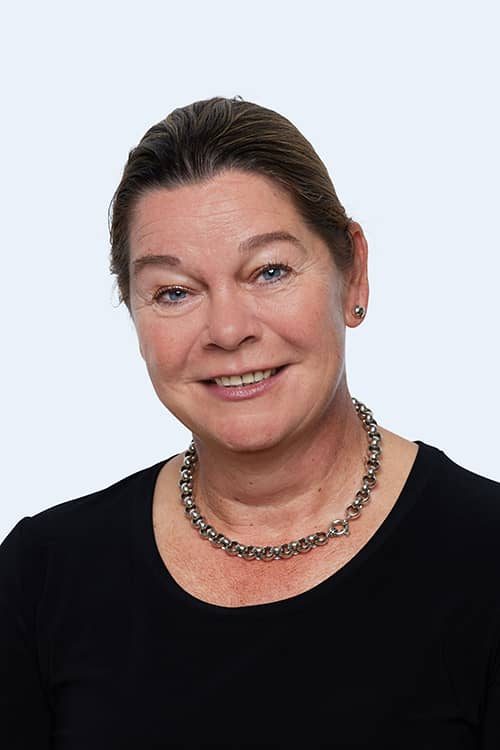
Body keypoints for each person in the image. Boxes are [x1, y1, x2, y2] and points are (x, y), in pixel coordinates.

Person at [1, 96, 499, 749]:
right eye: (174, 291)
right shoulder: (42, 576)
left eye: (269, 271)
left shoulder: (486, 558)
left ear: (353, 272)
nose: (229, 330)